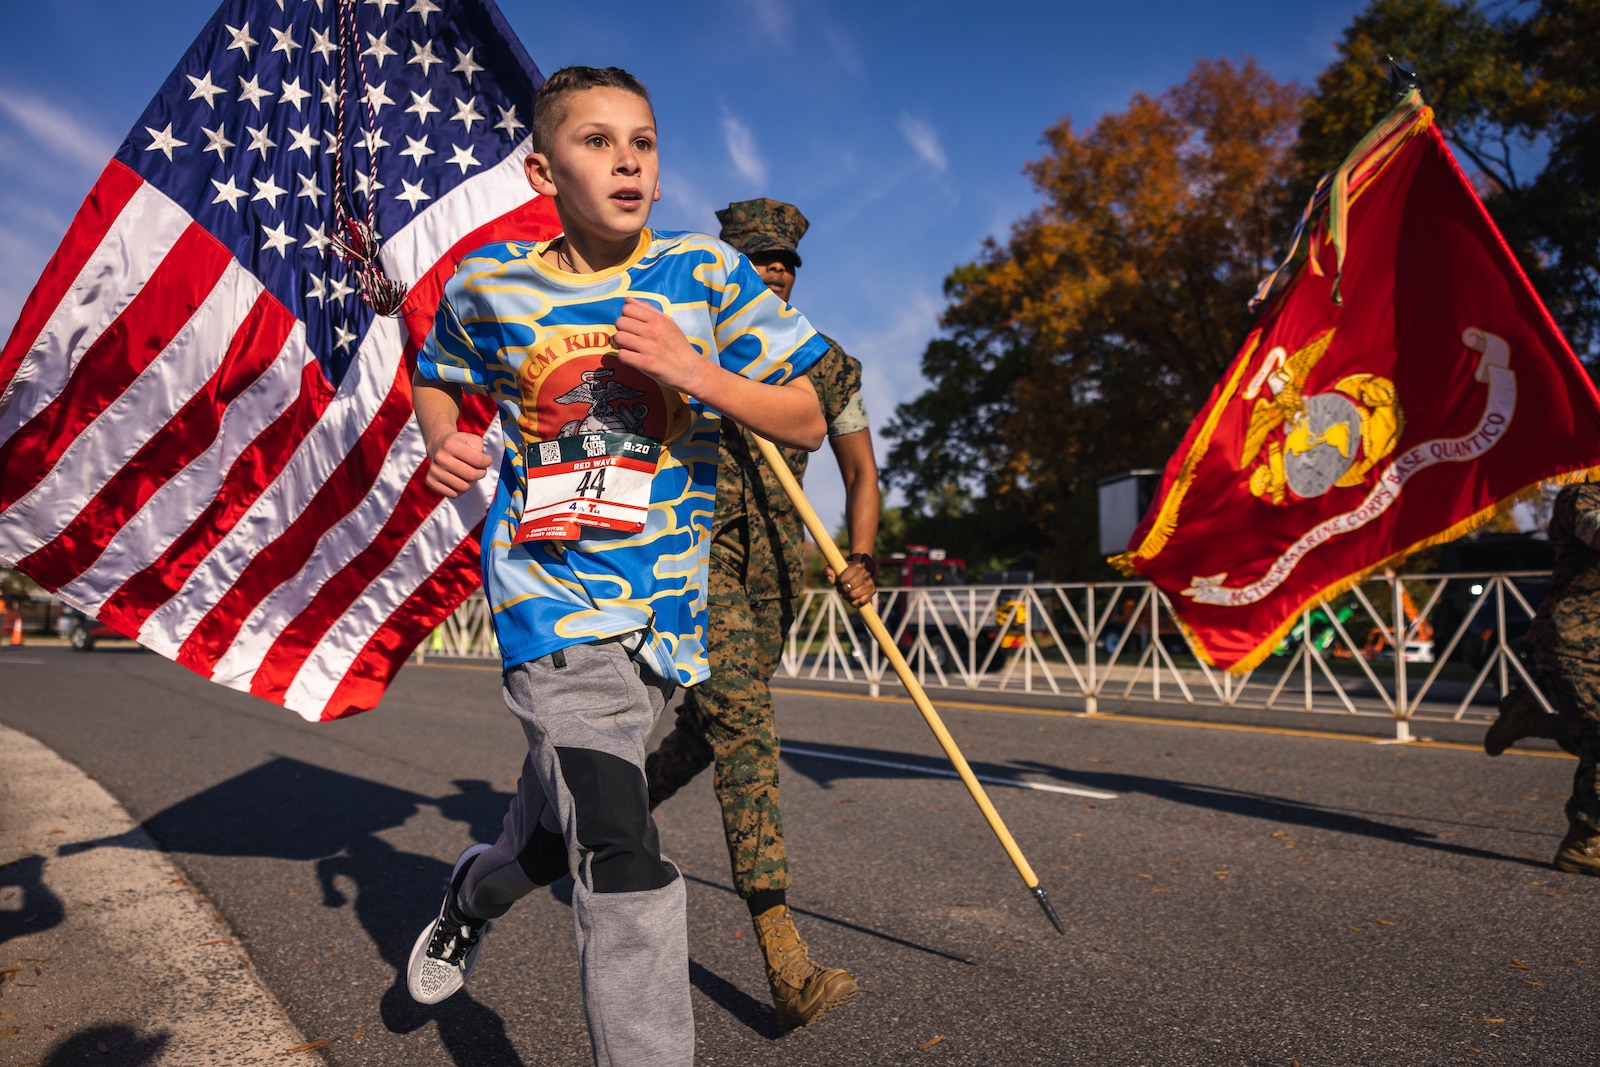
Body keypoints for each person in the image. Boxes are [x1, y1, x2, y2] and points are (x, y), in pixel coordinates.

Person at [405, 67, 830, 1066]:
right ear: (542, 170)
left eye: (642, 139)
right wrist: (444, 443)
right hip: (547, 595)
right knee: (622, 845)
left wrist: (696, 374)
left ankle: (474, 889)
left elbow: (807, 413)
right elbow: (438, 377)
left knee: (557, 837)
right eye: (596, 142)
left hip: (666, 613)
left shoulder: (706, 274)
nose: (627, 157)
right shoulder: (490, 285)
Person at [644, 198, 880, 1031]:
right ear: (730, 267)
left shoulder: (830, 367)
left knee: (709, 731)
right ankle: (784, 953)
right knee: (745, 725)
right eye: (757, 259)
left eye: (784, 262)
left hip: (780, 570)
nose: (773, 271)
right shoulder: (686, 340)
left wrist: (861, 554)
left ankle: (616, 810)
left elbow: (859, 469)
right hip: (694, 554)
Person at [1483, 481, 1600, 876]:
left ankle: (1529, 719)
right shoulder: (1582, 497)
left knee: (1592, 733)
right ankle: (1585, 842)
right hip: (1578, 641)